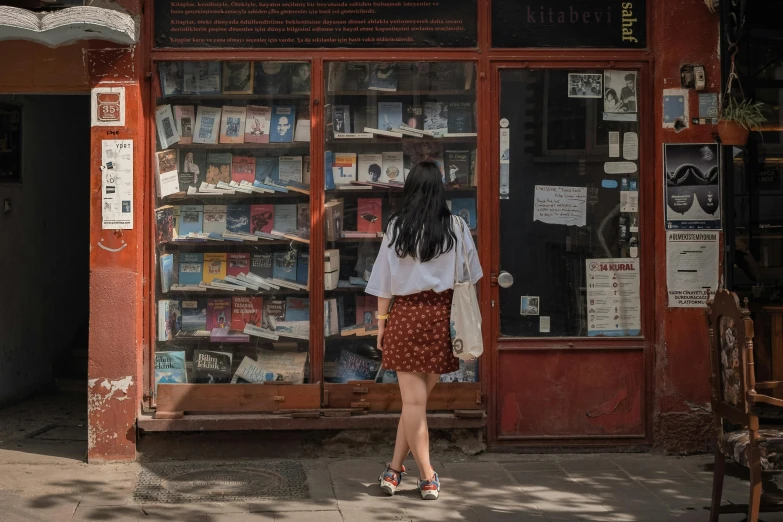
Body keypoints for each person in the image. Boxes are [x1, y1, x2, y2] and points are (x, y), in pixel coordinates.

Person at [366, 161, 483, 500]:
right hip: (442, 319)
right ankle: (426, 475)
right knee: (416, 403)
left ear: (411, 190)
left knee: (412, 404)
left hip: (404, 317)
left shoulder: (396, 227)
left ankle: (395, 470)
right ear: (439, 190)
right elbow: (471, 277)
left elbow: (384, 284)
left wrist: (381, 325)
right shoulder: (457, 227)